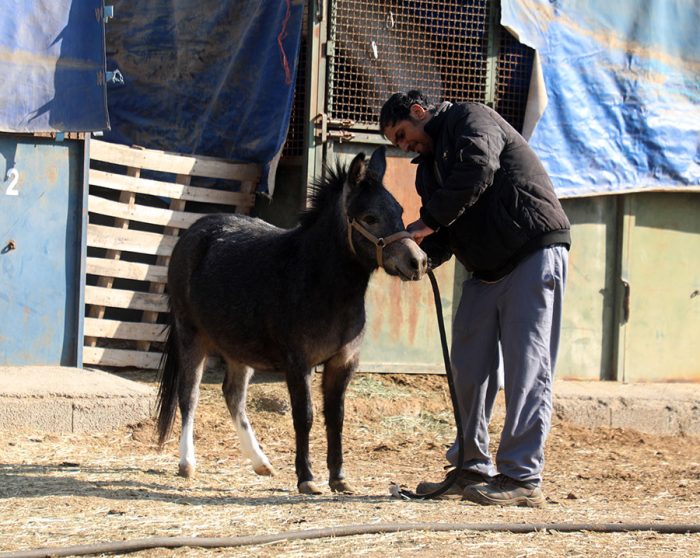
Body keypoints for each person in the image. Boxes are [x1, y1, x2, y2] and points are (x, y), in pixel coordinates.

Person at [379, 90, 570, 507]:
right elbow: (445, 231)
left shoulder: (471, 118)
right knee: (468, 368)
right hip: (484, 270)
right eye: (397, 144)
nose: (405, 146)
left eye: (402, 134)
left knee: (527, 371)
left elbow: (479, 167)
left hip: (532, 253)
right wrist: (416, 257)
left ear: (418, 112)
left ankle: (521, 478)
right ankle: (471, 466)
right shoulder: (427, 171)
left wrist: (426, 222)